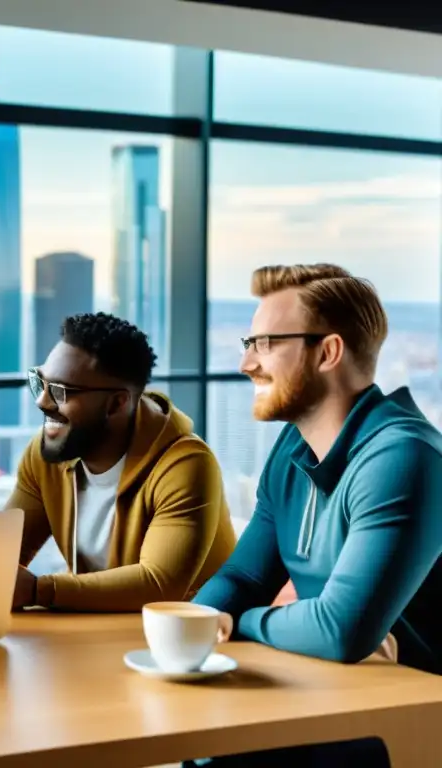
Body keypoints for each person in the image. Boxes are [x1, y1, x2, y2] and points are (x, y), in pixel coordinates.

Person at [191, 264, 442, 767]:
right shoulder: (292, 448)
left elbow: (339, 630)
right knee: (201, 740)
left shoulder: (404, 457)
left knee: (220, 753)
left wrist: (239, 620)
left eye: (263, 344)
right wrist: (204, 619)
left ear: (327, 352)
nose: (245, 363)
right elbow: (243, 574)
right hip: (333, 688)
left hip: (409, 717)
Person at [6, 312, 236, 611]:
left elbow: (158, 583)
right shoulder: (48, 454)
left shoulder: (187, 464)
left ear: (116, 403)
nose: (42, 402)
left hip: (191, 641)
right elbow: (3, 554)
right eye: (41, 383)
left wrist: (38, 591)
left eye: (61, 391)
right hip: (97, 630)